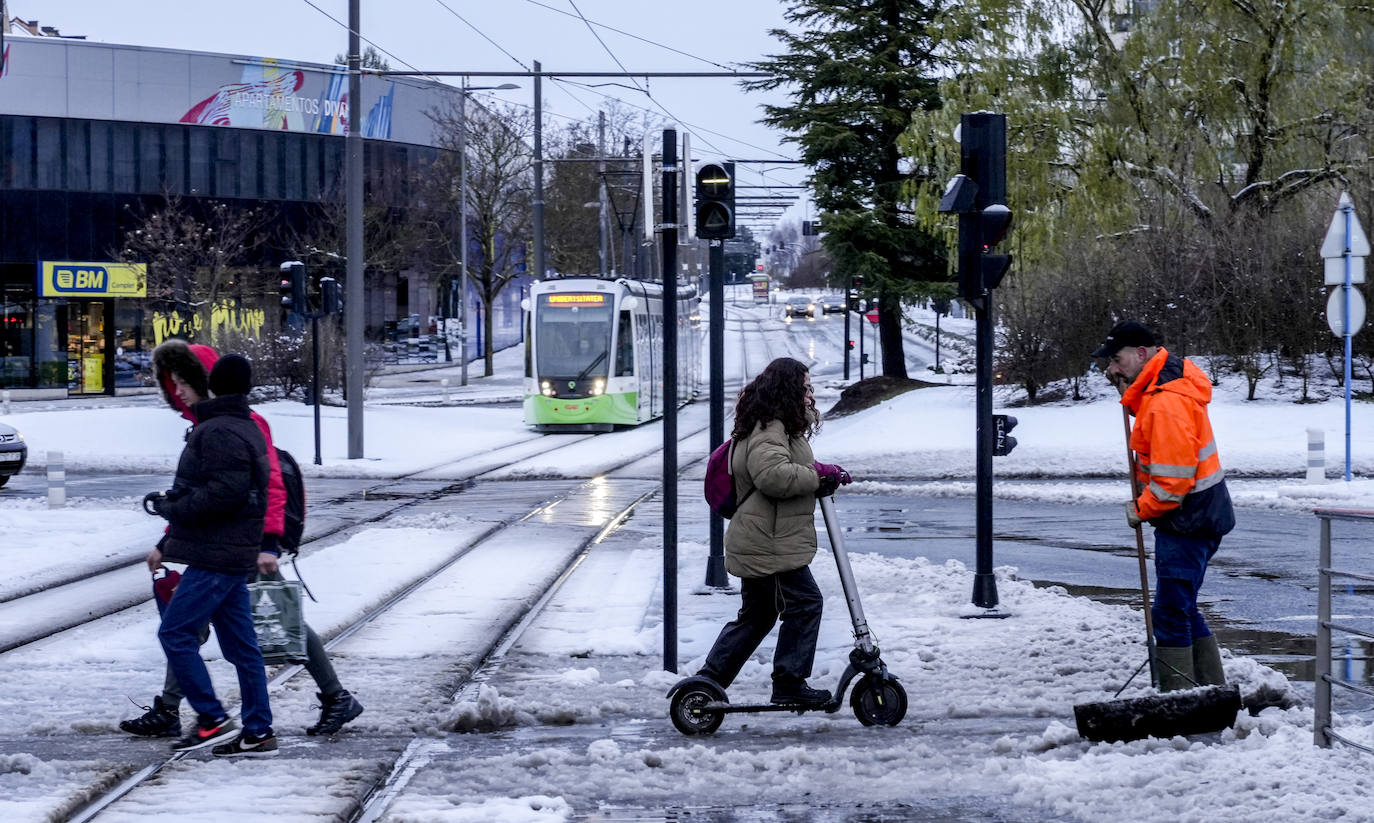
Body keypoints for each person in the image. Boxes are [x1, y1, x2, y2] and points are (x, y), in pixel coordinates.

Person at [121, 340, 363, 740]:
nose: (176, 390)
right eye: (171, 383)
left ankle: (330, 697)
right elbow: (194, 493)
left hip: (241, 543)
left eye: (182, 380)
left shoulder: (239, 424)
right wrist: (168, 541)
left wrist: (269, 543)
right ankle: (189, 711)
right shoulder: (207, 424)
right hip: (225, 541)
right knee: (224, 629)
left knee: (257, 624)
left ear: (204, 380)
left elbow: (266, 487)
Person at [696, 357, 852, 706]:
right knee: (805, 603)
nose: (811, 396)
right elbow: (772, 476)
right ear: (788, 391)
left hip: (765, 537)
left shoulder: (773, 425)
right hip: (769, 541)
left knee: (759, 613)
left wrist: (820, 469)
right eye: (806, 388)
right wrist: (818, 477)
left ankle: (709, 681)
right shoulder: (770, 428)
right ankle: (789, 683)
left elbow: (783, 466)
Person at [145, 353, 277, 756]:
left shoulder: (217, 430)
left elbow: (224, 493)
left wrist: (172, 507)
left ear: (211, 384)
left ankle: (211, 717)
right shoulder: (245, 425)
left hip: (215, 555)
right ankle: (258, 731)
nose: (178, 391)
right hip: (233, 552)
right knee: (242, 648)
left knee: (175, 633)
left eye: (182, 384)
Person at [1094, 320, 1235, 692]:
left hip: (1188, 519)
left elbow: (1173, 481)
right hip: (1199, 515)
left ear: (1141, 354)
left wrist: (1142, 508)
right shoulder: (1163, 389)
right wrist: (1130, 390)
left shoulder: (1166, 403)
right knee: (1182, 606)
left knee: (1170, 612)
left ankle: (1179, 697)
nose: (1111, 369)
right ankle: (1210, 691)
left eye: (1117, 360)